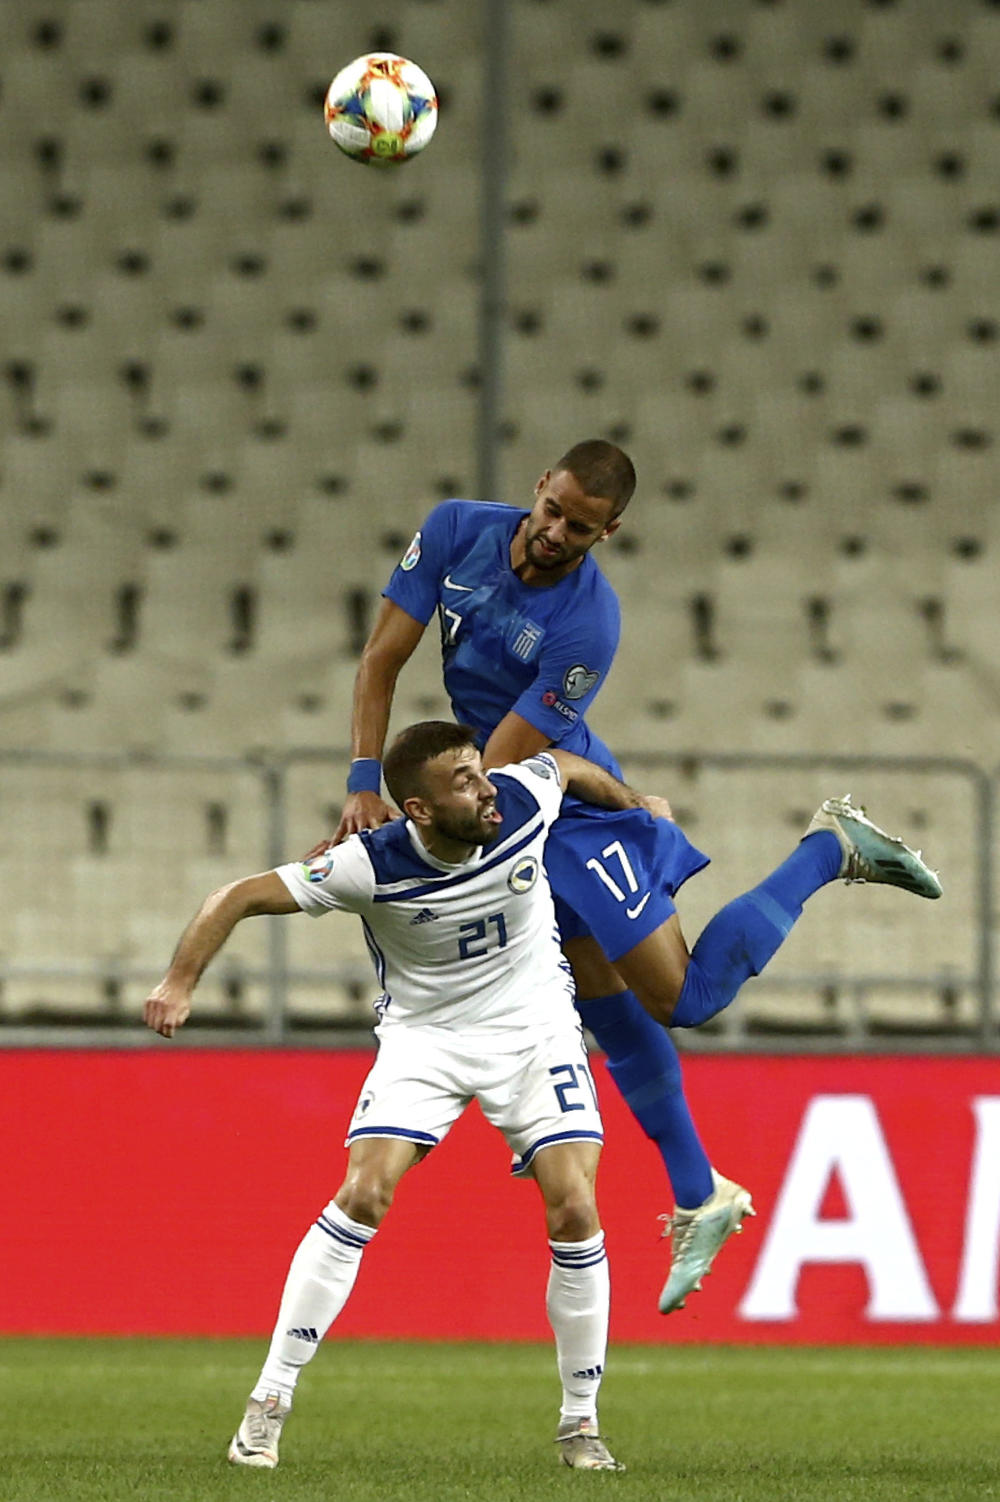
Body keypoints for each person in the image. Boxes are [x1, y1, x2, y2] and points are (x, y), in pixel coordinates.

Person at [315, 438, 943, 1314]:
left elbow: (502, 776)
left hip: (551, 809)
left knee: (681, 999)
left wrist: (429, 848)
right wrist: (359, 784)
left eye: (580, 526)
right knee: (607, 1008)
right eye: (552, 511)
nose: (556, 533)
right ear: (538, 487)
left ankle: (828, 849)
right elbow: (380, 660)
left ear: (609, 532)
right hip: (497, 796)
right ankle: (698, 1194)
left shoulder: (587, 623)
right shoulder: (455, 532)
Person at [145, 721, 679, 1471]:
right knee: (363, 1194)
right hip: (426, 1039)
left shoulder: (521, 800)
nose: (486, 787)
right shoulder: (368, 865)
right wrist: (179, 981)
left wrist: (634, 803)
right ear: (419, 811)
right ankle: (269, 1400)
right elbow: (235, 896)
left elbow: (562, 765)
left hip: (534, 1029)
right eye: (463, 781)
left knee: (575, 1206)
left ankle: (581, 1424)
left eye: (479, 771)